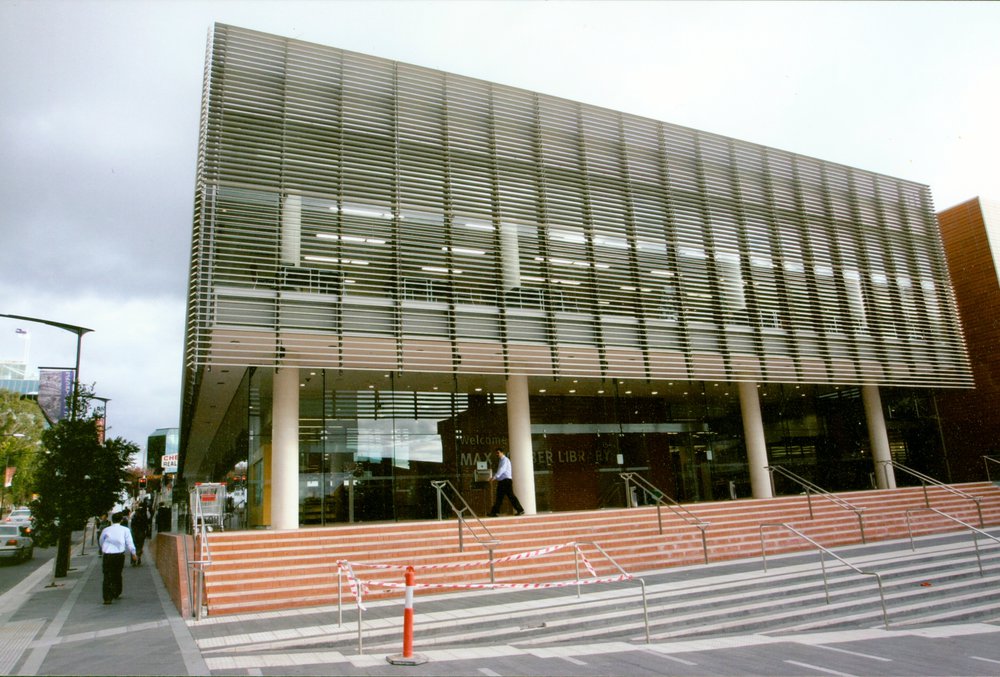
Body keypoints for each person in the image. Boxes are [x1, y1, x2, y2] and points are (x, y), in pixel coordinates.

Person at [99, 512, 137, 604]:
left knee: (107, 575)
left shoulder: (106, 530)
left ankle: (107, 598)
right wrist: (133, 553)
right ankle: (116, 592)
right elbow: (129, 542)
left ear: (112, 520)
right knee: (117, 573)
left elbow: (101, 541)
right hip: (119, 555)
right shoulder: (125, 530)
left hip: (107, 555)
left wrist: (103, 549)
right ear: (121, 520)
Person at [488, 448, 525, 517]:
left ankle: (520, 510)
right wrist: (495, 477)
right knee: (501, 497)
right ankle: (494, 512)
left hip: (506, 481)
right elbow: (501, 472)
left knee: (508, 496)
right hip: (503, 481)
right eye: (496, 453)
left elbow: (502, 470)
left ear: (502, 452)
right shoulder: (501, 461)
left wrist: (495, 477)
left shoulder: (505, 460)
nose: (497, 454)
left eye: (498, 453)